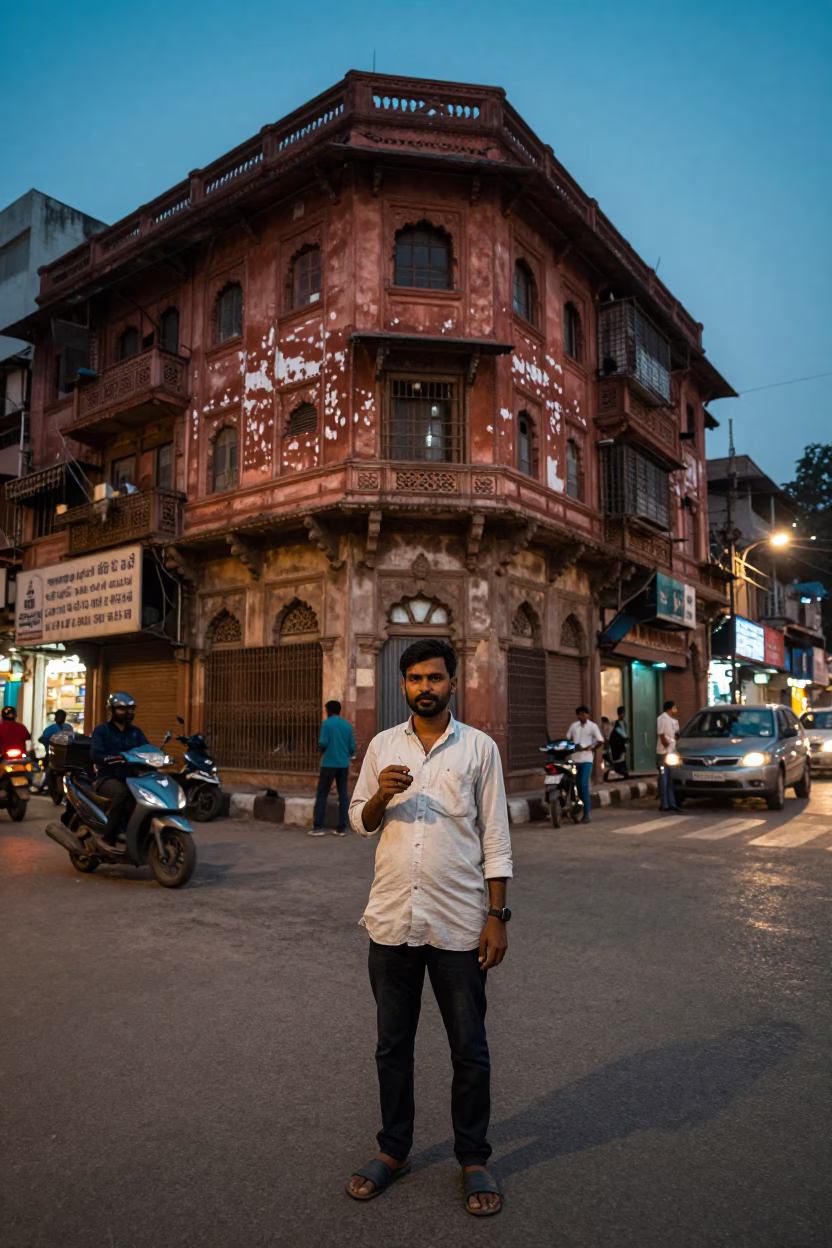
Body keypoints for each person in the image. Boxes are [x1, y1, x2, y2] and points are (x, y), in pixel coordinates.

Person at [346, 638, 512, 1217]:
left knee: (469, 1048)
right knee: (392, 1046)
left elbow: (496, 836)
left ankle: (473, 1157)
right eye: (415, 678)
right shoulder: (382, 747)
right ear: (403, 684)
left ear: (452, 682)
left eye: (435, 678)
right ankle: (394, 1150)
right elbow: (359, 821)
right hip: (392, 920)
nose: (425, 687)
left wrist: (497, 915)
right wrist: (379, 800)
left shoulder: (479, 749)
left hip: (459, 923)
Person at [89, 693, 148, 844]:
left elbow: (146, 749)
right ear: (112, 710)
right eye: (122, 709)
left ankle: (137, 832)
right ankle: (109, 836)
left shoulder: (136, 732)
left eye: (130, 709)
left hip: (132, 777)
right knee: (122, 793)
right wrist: (109, 759)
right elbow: (96, 754)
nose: (128, 712)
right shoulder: (101, 731)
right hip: (107, 778)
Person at [310, 699, 356, 837]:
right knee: (343, 795)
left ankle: (318, 827)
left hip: (329, 764)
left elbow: (323, 742)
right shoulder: (347, 725)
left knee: (322, 793)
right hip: (343, 764)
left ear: (329, 711)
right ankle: (341, 828)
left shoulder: (326, 724)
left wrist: (320, 752)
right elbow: (352, 748)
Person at [565, 705, 604, 823]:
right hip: (575, 759)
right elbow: (568, 739)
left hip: (587, 759)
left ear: (588, 715)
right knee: (574, 785)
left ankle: (587, 813)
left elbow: (600, 741)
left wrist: (591, 749)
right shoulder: (573, 726)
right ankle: (575, 809)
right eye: (580, 714)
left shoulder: (593, 726)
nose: (583, 716)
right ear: (577, 715)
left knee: (583, 784)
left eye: (585, 714)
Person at [656, 699, 682, 812]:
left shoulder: (674, 721)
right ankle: (664, 804)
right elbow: (661, 735)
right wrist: (667, 746)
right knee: (663, 778)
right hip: (663, 753)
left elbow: (677, 734)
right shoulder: (661, 719)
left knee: (670, 779)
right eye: (674, 708)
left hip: (672, 752)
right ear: (669, 709)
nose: (675, 710)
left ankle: (672, 803)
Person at [607, 706, 629, 780]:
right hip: (618, 746)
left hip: (622, 745)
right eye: (621, 713)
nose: (623, 715)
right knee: (619, 760)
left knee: (622, 760)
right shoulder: (616, 725)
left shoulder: (624, 724)